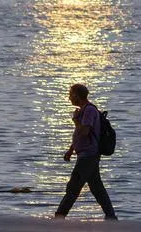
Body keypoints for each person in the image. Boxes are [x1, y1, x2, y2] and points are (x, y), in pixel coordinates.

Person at [55, 83, 117, 220]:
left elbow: (84, 131)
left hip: (88, 156)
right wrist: (71, 150)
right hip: (86, 155)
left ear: (77, 95)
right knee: (97, 188)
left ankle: (59, 216)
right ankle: (111, 216)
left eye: (71, 94)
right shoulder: (83, 110)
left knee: (73, 187)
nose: (69, 97)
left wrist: (76, 119)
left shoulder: (89, 110)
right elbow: (79, 133)